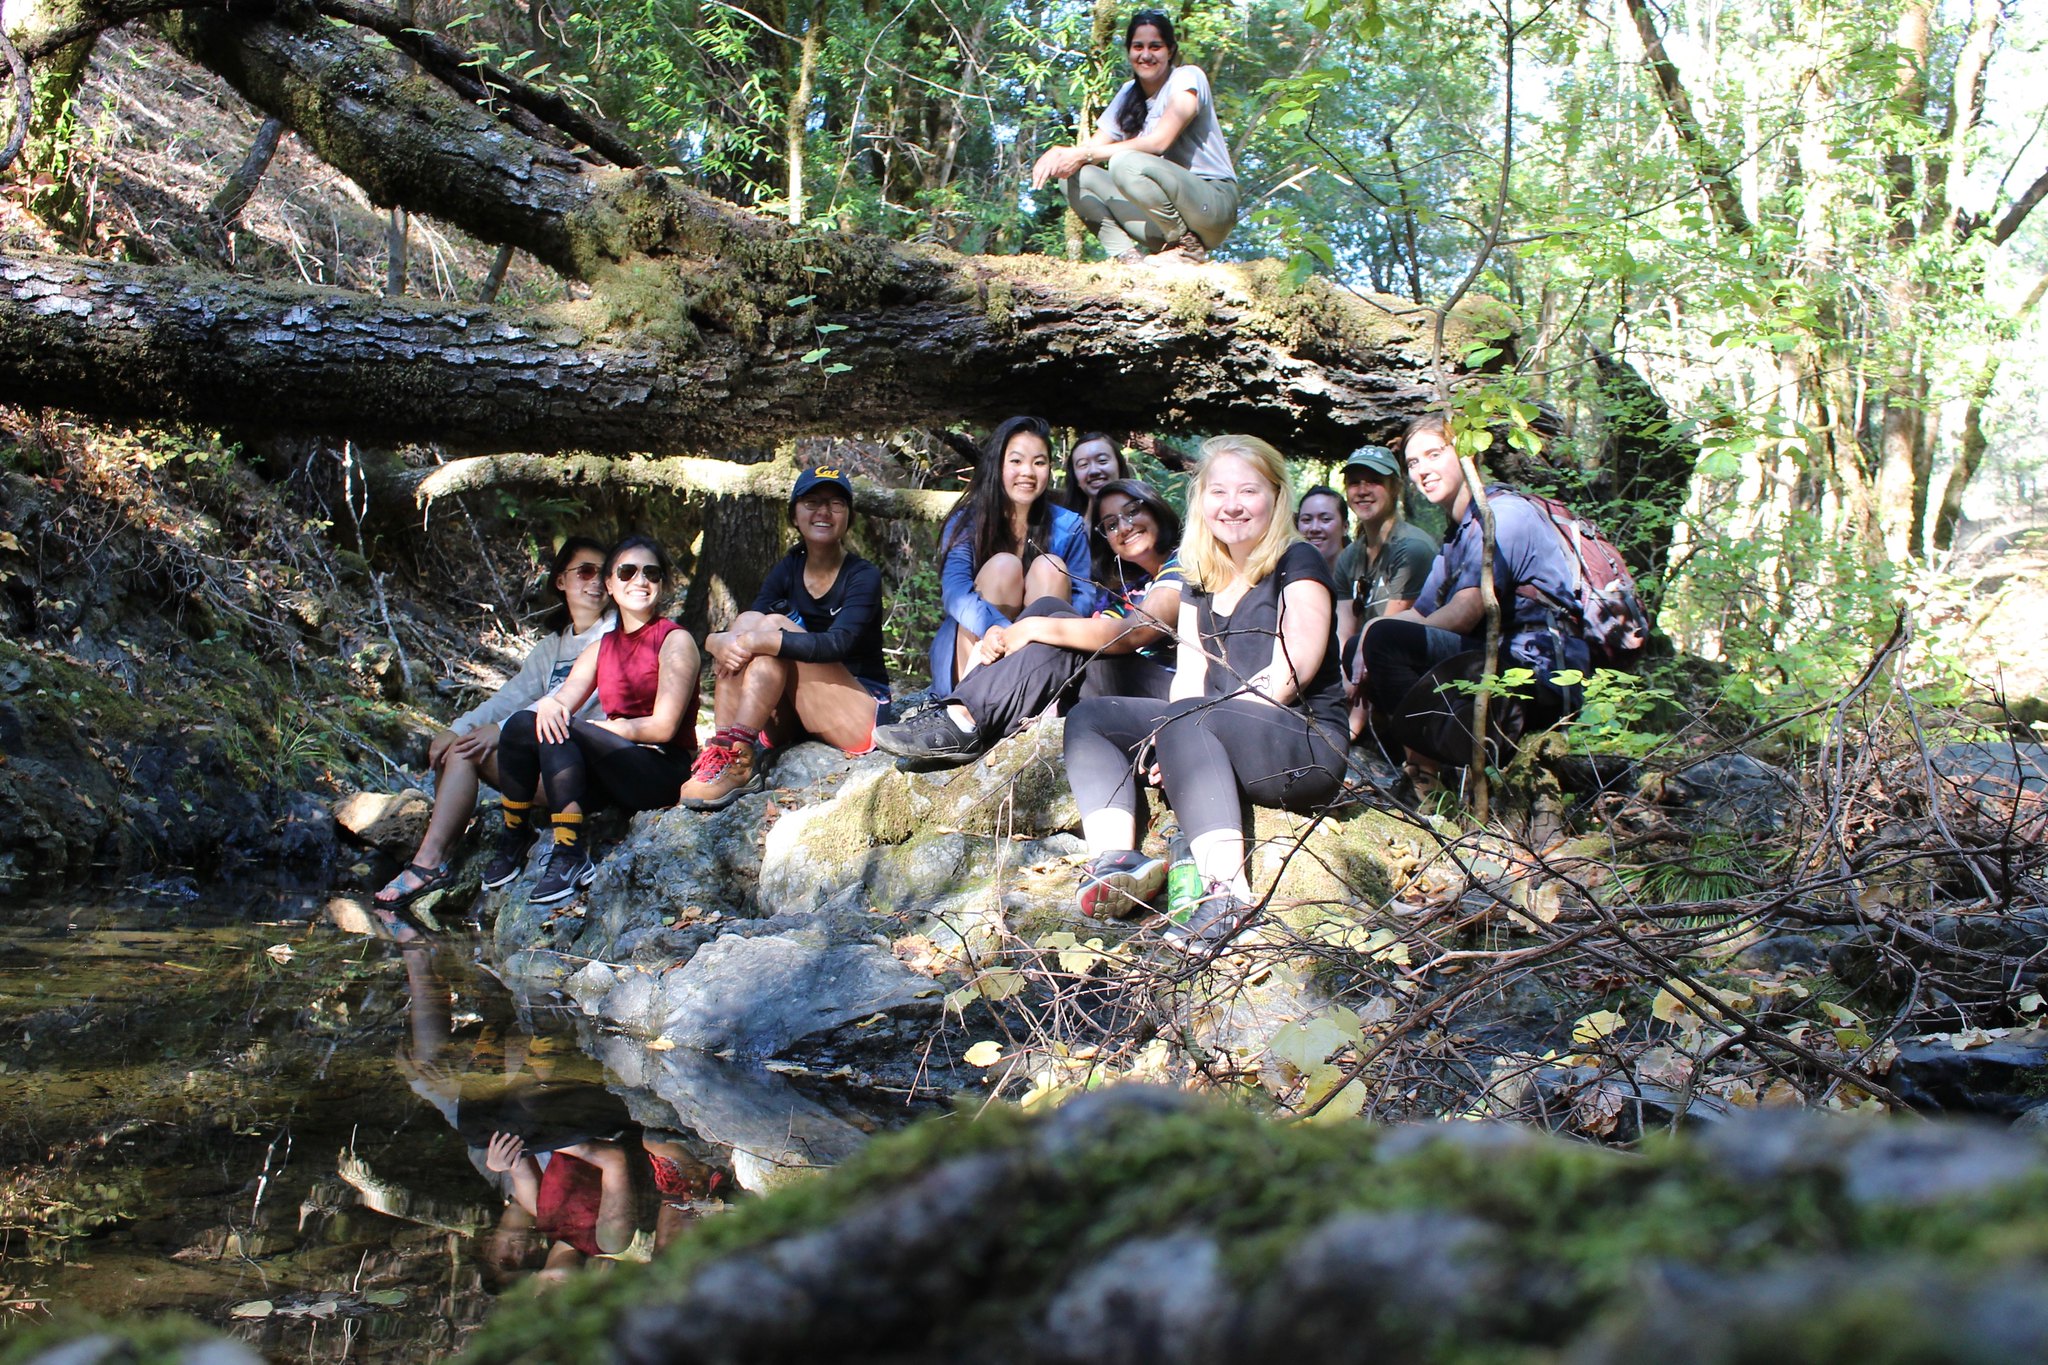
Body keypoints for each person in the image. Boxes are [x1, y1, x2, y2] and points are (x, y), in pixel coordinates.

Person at [1063, 436, 1346, 949]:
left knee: (1191, 717)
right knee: (1093, 718)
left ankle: (1227, 896)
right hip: (1211, 725)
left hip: (1302, 745)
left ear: (1277, 497)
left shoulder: (1299, 560)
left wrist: (1187, 733)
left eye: (1248, 490)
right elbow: (1189, 674)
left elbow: (1292, 671)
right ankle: (1116, 860)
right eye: (1218, 491)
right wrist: (1172, 739)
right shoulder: (1200, 574)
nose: (1232, 505)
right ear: (1201, 501)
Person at [375, 537, 614, 909]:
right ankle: (437, 856)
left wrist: (499, 732)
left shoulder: (615, 636)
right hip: (538, 767)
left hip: (578, 773)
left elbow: (569, 703)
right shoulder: (553, 646)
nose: (596, 582)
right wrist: (459, 727)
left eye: (605, 573)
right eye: (585, 571)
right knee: (460, 745)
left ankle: (430, 862)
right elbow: (512, 696)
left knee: (468, 751)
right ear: (561, 581)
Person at [875, 478, 1183, 762]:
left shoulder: (1185, 561)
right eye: (1111, 524)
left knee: (1056, 627)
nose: (1124, 527)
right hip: (1121, 692)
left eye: (1132, 512)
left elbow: (1134, 633)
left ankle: (964, 719)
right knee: (1050, 607)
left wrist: (1031, 627)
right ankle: (962, 712)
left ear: (1154, 507)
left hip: (1174, 696)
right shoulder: (1122, 592)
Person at [1360, 414, 1589, 769]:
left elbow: (1465, 613)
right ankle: (1429, 767)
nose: (1422, 470)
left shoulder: (1503, 516)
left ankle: (1439, 768)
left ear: (1468, 454)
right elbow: (1420, 614)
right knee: (1373, 639)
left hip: (1536, 675)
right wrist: (1361, 642)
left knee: (1387, 641)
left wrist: (1379, 640)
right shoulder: (1459, 533)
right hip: (1489, 664)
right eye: (1413, 462)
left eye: (1434, 454)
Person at [486, 536, 702, 905]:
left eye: (651, 573)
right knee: (525, 723)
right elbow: (563, 701)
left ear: (662, 584)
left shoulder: (674, 640)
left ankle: (569, 851)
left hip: (660, 769)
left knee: (561, 729)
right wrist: (552, 708)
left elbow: (663, 727)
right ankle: (515, 832)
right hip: (612, 768)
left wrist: (587, 728)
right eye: (627, 571)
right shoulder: (600, 648)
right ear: (610, 585)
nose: (640, 580)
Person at [678, 466, 892, 810]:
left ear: (848, 517)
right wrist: (715, 641)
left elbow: (838, 644)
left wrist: (760, 640)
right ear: (794, 514)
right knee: (752, 620)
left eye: (835, 504)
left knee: (771, 626)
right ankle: (728, 753)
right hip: (792, 720)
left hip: (856, 712)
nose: (823, 512)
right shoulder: (789, 567)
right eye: (811, 502)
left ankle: (734, 754)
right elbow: (748, 629)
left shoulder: (861, 575)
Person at [1029, 9, 1238, 267]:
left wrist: (1082, 153)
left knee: (1123, 162)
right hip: (1164, 219)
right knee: (1074, 175)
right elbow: (1091, 149)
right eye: (1138, 47)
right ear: (1129, 51)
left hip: (1212, 205)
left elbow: (1159, 142)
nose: (1146, 55)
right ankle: (1129, 260)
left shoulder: (1187, 78)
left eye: (1155, 47)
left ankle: (1187, 248)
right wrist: (1061, 153)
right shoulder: (1129, 92)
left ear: (1170, 51)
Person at [929, 416, 1094, 693]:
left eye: (1039, 462)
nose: (1028, 472)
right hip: (979, 649)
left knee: (1050, 566)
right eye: (1016, 461)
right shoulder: (967, 522)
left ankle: (1038, 695)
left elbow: (1083, 600)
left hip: (1041, 654)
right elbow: (955, 593)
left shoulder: (1069, 526)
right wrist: (998, 629)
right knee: (1004, 566)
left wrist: (1032, 633)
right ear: (997, 465)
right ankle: (971, 702)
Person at [1331, 446, 1438, 738]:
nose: (1363, 490)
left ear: (1395, 488)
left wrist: (1352, 725)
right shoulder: (1349, 556)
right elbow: (1345, 630)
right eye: (1355, 482)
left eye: (1374, 481)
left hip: (1412, 670)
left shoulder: (1412, 548)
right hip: (1362, 667)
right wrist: (1343, 684)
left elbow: (1388, 630)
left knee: (1373, 643)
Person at [1057, 432, 1132, 514]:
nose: (1093, 471)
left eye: (1102, 460)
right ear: (1075, 478)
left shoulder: (1142, 513)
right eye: (1083, 464)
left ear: (1119, 465)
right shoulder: (1067, 524)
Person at [1295, 484, 1346, 572]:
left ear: (1345, 527)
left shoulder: (1360, 571)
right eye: (1306, 520)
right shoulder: (1288, 574)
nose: (1314, 528)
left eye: (1325, 519)